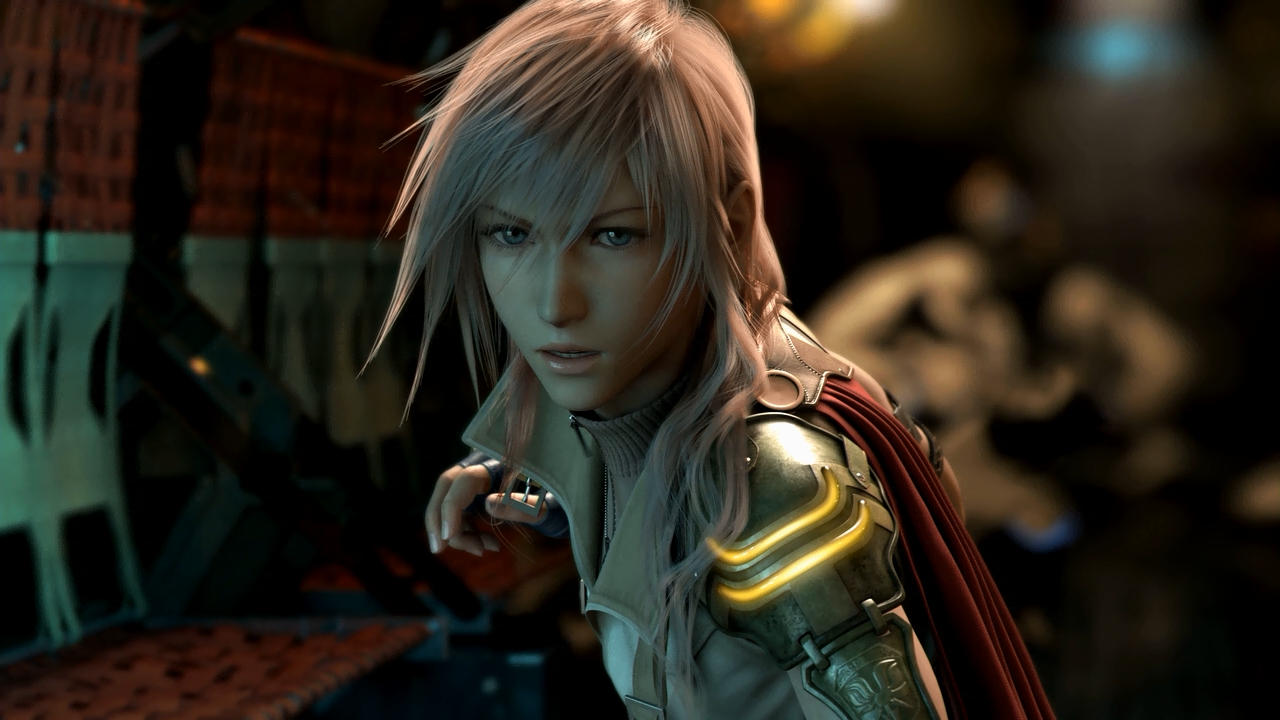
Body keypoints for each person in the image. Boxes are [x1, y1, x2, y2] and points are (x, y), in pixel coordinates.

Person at [372, 1, 1054, 718]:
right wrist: (531, 481)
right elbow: (631, 444)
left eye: (613, 237)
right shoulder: (682, 359)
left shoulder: (772, 490)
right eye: (511, 235)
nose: (553, 305)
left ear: (728, 224)